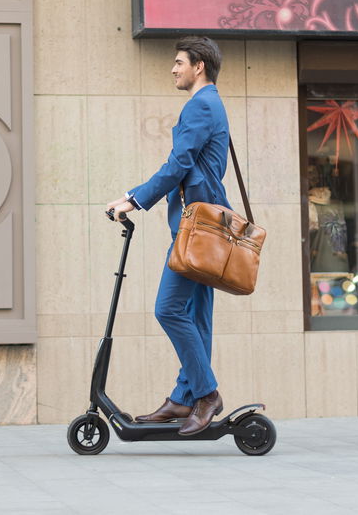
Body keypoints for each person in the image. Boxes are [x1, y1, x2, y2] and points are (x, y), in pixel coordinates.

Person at [106, 36, 231, 436]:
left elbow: (178, 165)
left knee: (169, 308)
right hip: (205, 225)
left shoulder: (201, 105)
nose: (174, 69)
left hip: (196, 229)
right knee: (197, 315)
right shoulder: (212, 104)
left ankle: (206, 394)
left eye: (179, 62)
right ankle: (184, 395)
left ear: (199, 66)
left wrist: (134, 199)